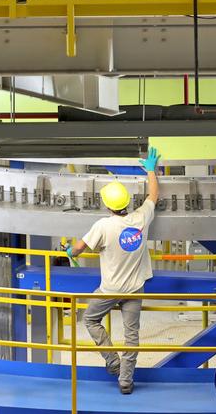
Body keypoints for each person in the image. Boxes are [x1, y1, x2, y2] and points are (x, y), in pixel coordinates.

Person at [65, 147, 161, 395]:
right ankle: (126, 381)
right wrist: (151, 170)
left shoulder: (103, 226)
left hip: (110, 290)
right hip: (135, 288)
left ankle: (112, 360)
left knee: (90, 319)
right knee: (132, 335)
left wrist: (69, 251)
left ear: (107, 205)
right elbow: (153, 195)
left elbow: (78, 249)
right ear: (127, 202)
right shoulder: (140, 218)